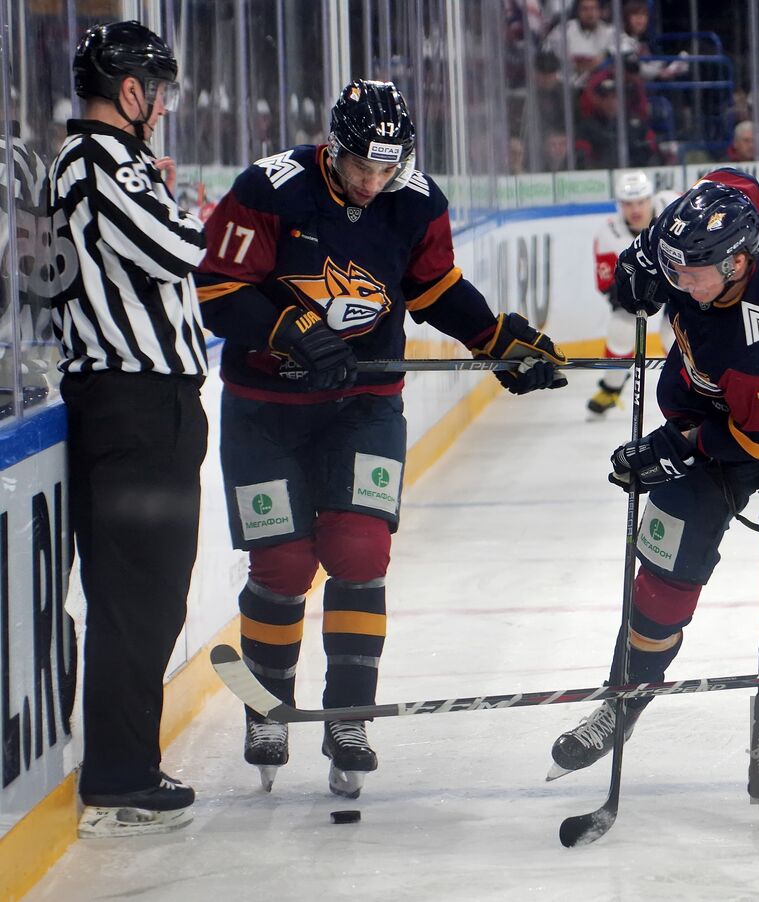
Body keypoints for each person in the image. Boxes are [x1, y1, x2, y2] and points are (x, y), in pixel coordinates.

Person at [194, 79, 566, 798]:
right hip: (265, 410)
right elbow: (215, 288)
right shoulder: (269, 190)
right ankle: (265, 709)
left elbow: (433, 289)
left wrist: (495, 340)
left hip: (363, 405)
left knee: (360, 551)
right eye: (361, 164)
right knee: (282, 564)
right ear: (333, 146)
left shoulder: (415, 201)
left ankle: (349, 716)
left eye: (385, 168)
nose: (372, 181)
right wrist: (286, 328)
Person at [547, 169, 759, 805]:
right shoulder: (699, 234)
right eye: (672, 262)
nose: (677, 279)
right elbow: (733, 182)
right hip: (715, 413)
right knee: (664, 575)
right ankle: (624, 701)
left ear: (739, 262)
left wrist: (674, 448)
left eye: (689, 271)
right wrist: (640, 266)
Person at [50, 21, 207, 837]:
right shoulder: (96, 163)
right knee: (134, 599)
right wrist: (183, 207)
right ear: (132, 91)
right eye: (160, 90)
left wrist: (164, 189)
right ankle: (118, 776)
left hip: (151, 409)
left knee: (149, 596)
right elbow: (180, 249)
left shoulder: (121, 165)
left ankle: (124, 766)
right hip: (132, 407)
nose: (167, 106)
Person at [586, 169, 676, 416]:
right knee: (620, 330)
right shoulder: (608, 234)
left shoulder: (673, 204)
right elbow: (607, 285)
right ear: (619, 204)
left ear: (652, 198)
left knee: (676, 338)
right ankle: (611, 389)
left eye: (641, 201)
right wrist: (630, 297)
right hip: (644, 290)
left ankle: (696, 390)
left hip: (686, 282)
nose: (635, 209)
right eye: (628, 203)